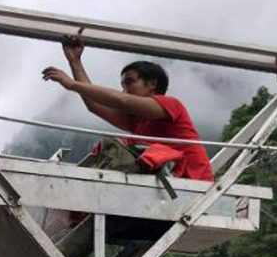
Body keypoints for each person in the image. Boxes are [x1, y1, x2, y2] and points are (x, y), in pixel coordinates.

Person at [42, 38, 214, 181]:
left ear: (152, 83)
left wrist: (72, 84)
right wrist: (75, 61)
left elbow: (121, 101)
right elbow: (94, 105)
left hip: (194, 184)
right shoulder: (137, 121)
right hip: (170, 185)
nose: (125, 90)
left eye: (130, 82)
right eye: (122, 85)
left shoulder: (170, 104)